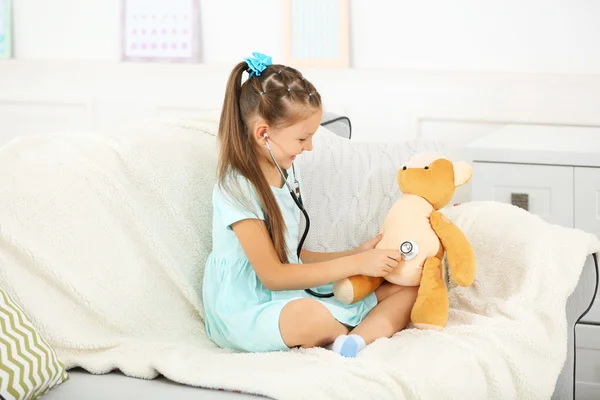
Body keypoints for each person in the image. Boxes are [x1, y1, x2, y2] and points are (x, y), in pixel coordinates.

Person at [202, 52, 418, 358]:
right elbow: (273, 275)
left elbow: (291, 253)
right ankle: (349, 329)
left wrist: (355, 254)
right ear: (263, 134)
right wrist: (355, 265)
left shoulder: (286, 170)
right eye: (303, 138)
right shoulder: (236, 188)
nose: (310, 147)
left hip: (290, 291)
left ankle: (351, 342)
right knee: (309, 316)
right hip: (247, 310)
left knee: (406, 288)